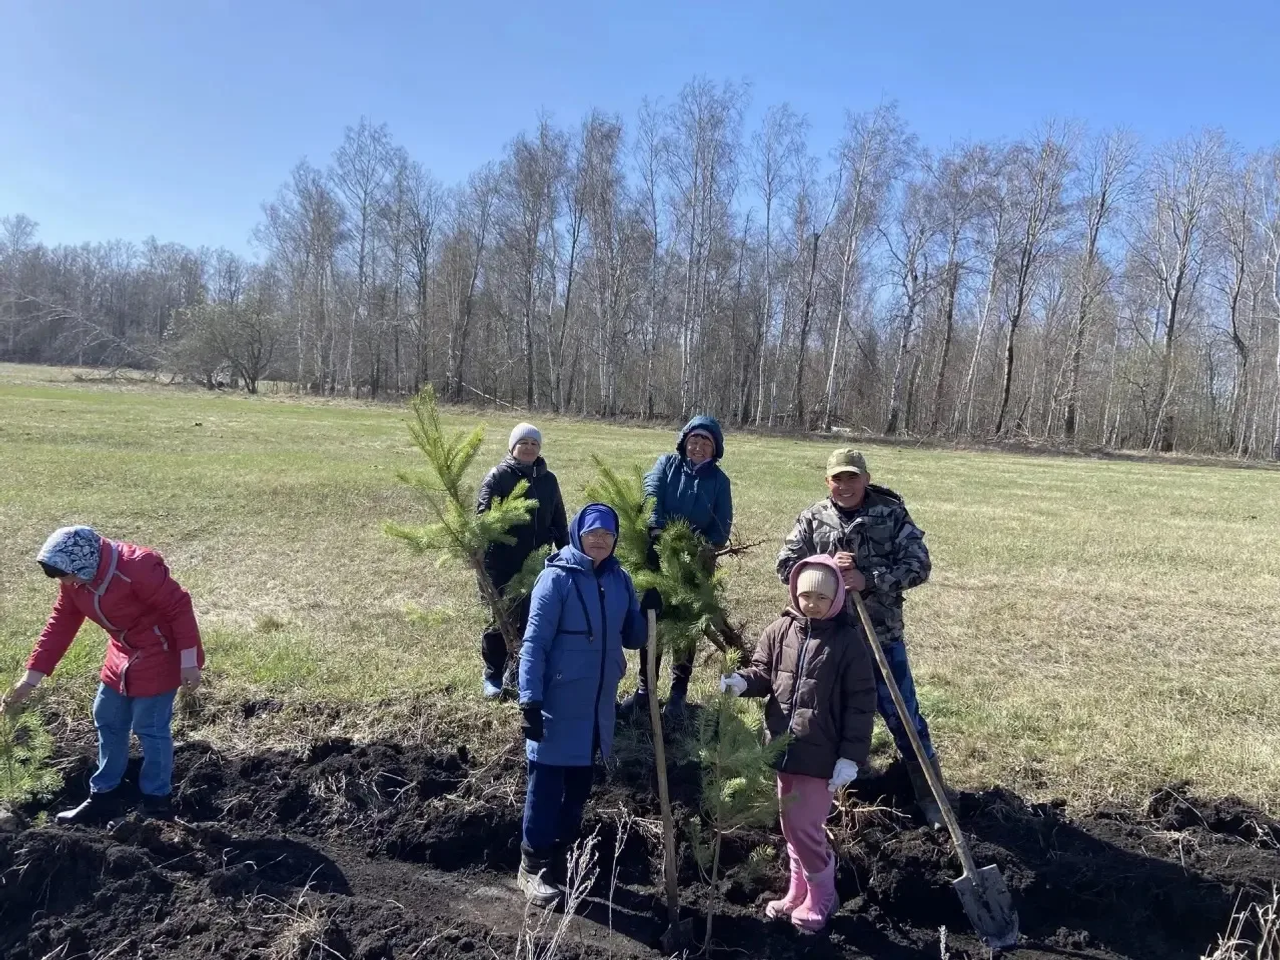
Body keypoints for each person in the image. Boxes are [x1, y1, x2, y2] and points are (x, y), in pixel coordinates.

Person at [775, 449, 942, 828]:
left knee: (903, 716)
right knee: (826, 719)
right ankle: (827, 798)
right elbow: (785, 566)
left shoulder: (891, 514)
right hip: (827, 642)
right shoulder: (813, 518)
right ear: (828, 482)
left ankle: (932, 797)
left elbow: (919, 565)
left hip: (879, 638)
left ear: (866, 479)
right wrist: (826, 570)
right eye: (838, 479)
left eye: (852, 478)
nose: (845, 486)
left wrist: (869, 578)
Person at [1, 526, 205, 823]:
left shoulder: (137, 568)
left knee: (149, 726)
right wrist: (30, 679)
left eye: (66, 575)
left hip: (162, 652)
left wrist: (188, 661)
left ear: (84, 560)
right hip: (122, 652)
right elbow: (61, 624)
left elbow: (179, 607)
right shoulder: (77, 578)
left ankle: (156, 803)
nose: (65, 582)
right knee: (107, 717)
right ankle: (103, 796)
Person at [720, 555, 876, 933]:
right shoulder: (780, 631)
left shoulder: (848, 643)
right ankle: (798, 891)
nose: (813, 604)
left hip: (822, 755)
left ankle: (823, 894)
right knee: (791, 825)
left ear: (836, 599)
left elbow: (860, 704)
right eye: (806, 596)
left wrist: (850, 758)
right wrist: (742, 682)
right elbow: (763, 673)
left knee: (805, 826)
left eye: (822, 598)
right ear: (794, 592)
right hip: (783, 749)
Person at [515, 504, 661, 907]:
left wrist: (647, 612)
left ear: (615, 539)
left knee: (578, 789)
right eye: (592, 533)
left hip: (598, 708)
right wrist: (529, 700)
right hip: (557, 705)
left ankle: (561, 860)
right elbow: (534, 644)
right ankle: (531, 867)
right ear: (577, 534)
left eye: (607, 534)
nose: (599, 540)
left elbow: (633, 638)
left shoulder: (619, 579)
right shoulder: (555, 579)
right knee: (546, 788)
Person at [619, 415, 732, 720]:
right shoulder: (667, 465)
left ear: (715, 449)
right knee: (653, 622)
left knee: (685, 628)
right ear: (684, 442)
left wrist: (698, 548)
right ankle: (645, 690)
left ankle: (678, 694)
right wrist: (657, 530)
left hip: (695, 566)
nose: (698, 446)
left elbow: (722, 525)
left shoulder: (719, 481)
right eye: (694, 440)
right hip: (657, 556)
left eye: (706, 442)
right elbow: (651, 491)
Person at [476, 422, 569, 699]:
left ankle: (517, 672)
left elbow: (559, 519)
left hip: (536, 563)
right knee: (499, 619)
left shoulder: (549, 480)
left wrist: (567, 551)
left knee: (531, 619)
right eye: (523, 443)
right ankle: (493, 673)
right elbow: (483, 520)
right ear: (512, 447)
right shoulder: (498, 477)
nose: (528, 448)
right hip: (501, 563)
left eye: (534, 444)